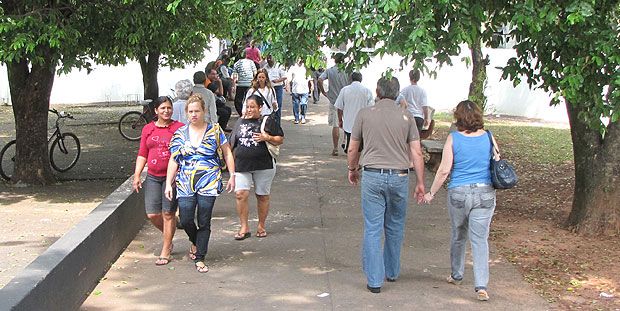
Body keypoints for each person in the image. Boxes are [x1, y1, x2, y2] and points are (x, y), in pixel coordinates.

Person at [346, 76, 425, 294]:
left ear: (377, 91)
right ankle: (391, 271)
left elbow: (353, 149)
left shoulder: (364, 114)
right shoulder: (406, 116)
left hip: (372, 175)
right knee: (395, 225)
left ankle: (374, 280)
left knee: (372, 227)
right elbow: (416, 152)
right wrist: (420, 182)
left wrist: (352, 170)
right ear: (397, 92)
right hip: (399, 176)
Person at [423, 100, 497, 301]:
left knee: (458, 234)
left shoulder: (453, 139)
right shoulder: (489, 137)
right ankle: (481, 285)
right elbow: (497, 160)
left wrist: (431, 193)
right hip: (485, 193)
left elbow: (444, 170)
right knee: (480, 240)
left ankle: (457, 274)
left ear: (458, 118)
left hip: (459, 193)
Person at [165, 94, 235, 273]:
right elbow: (174, 159)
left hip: (209, 180)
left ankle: (200, 257)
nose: (194, 114)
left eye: (197, 111)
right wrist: (168, 183)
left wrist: (232, 175)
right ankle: (196, 241)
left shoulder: (215, 130)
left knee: (204, 220)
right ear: (186, 113)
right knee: (187, 218)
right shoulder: (180, 133)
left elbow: (227, 152)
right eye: (190, 111)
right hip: (186, 181)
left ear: (204, 111)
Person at [132, 96, 184, 266]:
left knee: (168, 213)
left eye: (169, 108)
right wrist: (137, 174)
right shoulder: (148, 129)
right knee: (153, 214)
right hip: (153, 176)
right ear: (156, 111)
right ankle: (168, 235)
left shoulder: (180, 128)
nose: (166, 111)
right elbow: (142, 153)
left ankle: (166, 249)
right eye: (162, 108)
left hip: (173, 178)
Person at [229, 95, 284, 240]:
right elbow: (231, 144)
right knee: (240, 194)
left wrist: (268, 138)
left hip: (264, 165)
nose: (249, 110)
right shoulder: (240, 122)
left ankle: (261, 225)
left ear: (260, 107)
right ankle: (244, 226)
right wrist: (228, 165)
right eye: (247, 106)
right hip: (242, 165)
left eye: (252, 107)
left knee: (262, 195)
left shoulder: (267, 121)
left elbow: (280, 139)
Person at [318, 53, 351, 156]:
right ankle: (346, 142)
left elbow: (320, 79)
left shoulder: (330, 70)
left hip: (334, 101)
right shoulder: (348, 70)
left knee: (336, 125)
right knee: (348, 123)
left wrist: (323, 91)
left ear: (335, 60)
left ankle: (335, 148)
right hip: (347, 100)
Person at [334, 72, 373, 154]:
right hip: (362, 123)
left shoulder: (345, 90)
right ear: (361, 80)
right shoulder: (367, 91)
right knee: (360, 145)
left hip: (349, 123)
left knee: (350, 144)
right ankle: (357, 160)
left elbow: (339, 107)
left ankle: (351, 160)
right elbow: (371, 108)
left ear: (351, 79)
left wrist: (340, 120)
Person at [232, 52, 257, 116]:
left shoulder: (236, 64)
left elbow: (234, 77)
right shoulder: (251, 62)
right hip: (250, 84)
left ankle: (242, 114)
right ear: (246, 55)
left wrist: (233, 86)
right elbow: (255, 73)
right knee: (250, 99)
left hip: (240, 85)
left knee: (238, 101)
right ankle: (249, 114)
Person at [264, 55, 287, 124]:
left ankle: (277, 123)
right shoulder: (265, 67)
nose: (269, 60)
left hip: (278, 88)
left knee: (278, 105)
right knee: (268, 105)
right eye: (268, 58)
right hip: (269, 88)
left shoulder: (279, 66)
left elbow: (285, 77)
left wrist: (278, 80)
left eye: (270, 58)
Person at [287, 60, 310, 124]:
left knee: (303, 104)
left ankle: (303, 116)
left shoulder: (306, 67)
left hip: (305, 90)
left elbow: (310, 77)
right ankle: (296, 118)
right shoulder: (293, 67)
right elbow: (289, 78)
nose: (300, 60)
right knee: (295, 105)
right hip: (295, 90)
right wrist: (287, 86)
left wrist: (312, 85)